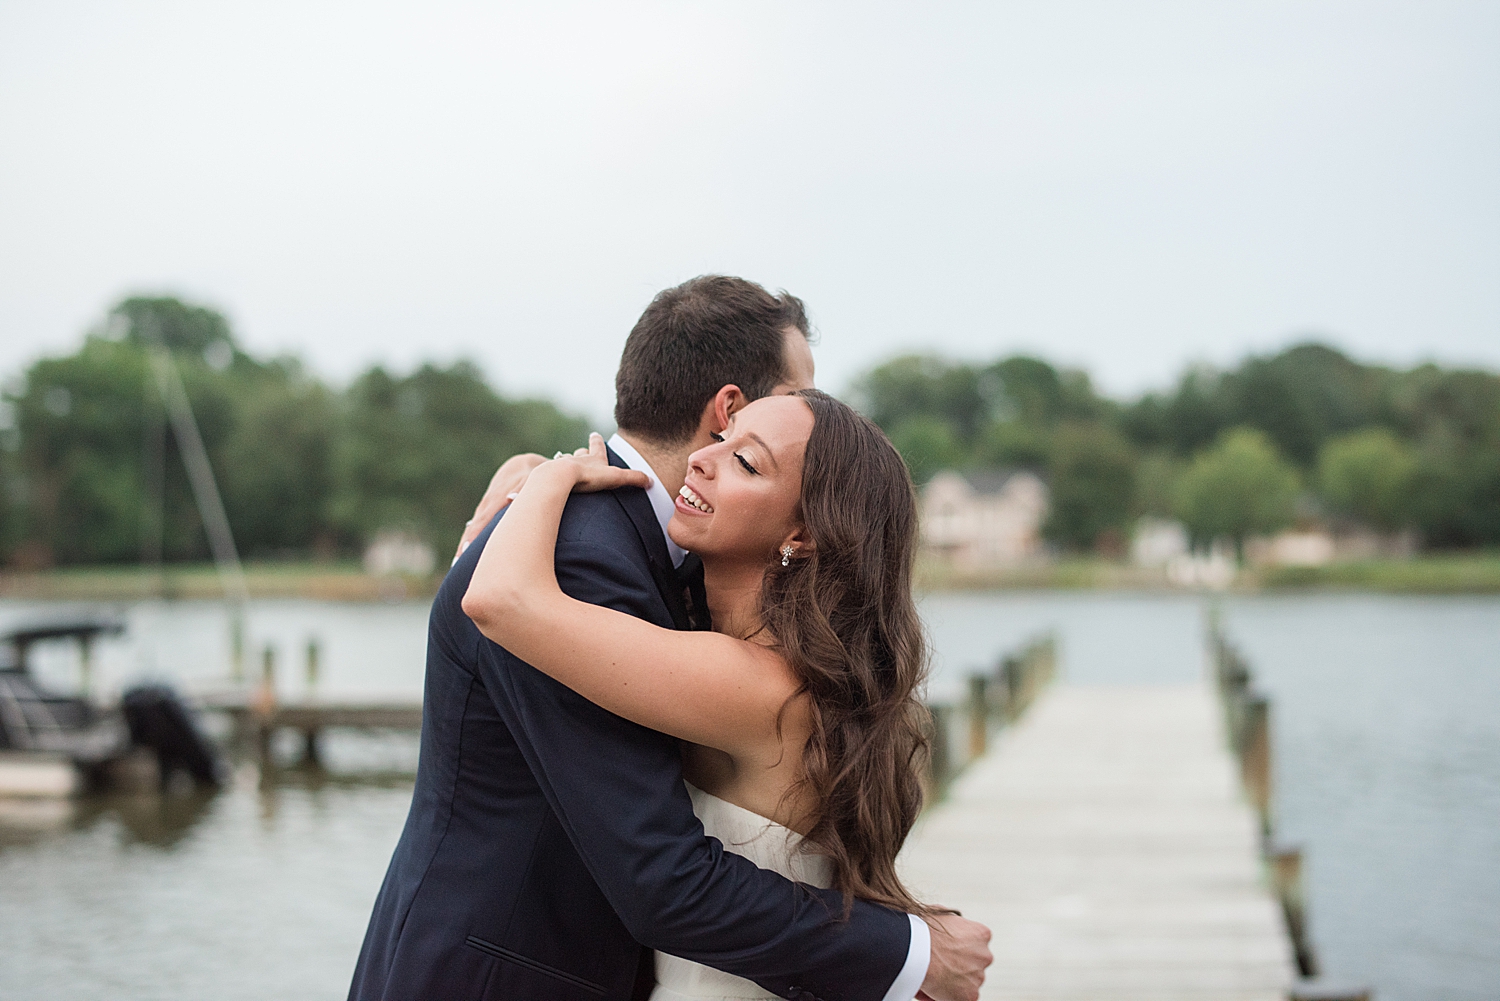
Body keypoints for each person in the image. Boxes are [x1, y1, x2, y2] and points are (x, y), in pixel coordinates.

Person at [348, 276, 991, 1001]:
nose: (813, 410)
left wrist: (537, 480)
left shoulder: (683, 582)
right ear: (731, 408)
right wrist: (905, 955)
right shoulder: (580, 553)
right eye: (793, 397)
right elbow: (659, 875)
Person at [463, 385, 969, 1001]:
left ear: (803, 534)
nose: (704, 458)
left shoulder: (755, 682)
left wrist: (551, 477)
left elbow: (499, 600)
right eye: (723, 440)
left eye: (747, 463)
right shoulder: (748, 661)